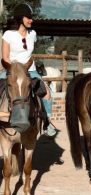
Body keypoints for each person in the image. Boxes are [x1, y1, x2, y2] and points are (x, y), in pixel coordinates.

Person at [1, 3, 57, 136]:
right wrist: (16, 69)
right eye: (28, 17)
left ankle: (47, 122)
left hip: (29, 70)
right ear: (21, 18)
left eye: (31, 17)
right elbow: (5, 57)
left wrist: (26, 68)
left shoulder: (33, 34)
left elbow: (29, 54)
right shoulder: (8, 34)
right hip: (12, 70)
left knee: (47, 93)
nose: (31, 20)